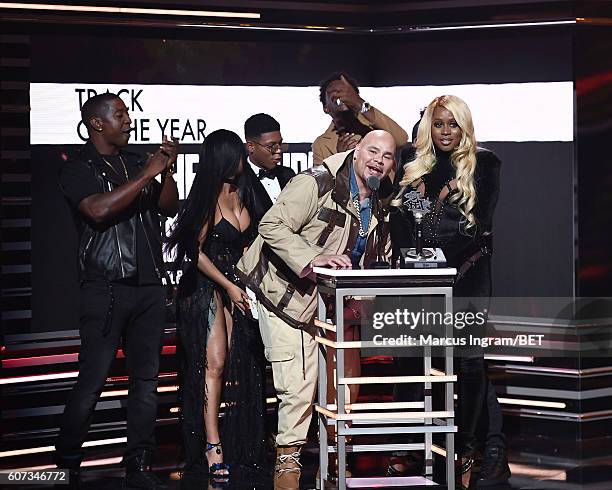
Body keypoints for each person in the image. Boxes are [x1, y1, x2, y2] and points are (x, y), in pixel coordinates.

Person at [237, 129, 396, 490]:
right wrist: (315, 257)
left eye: (387, 157)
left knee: (343, 387)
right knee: (298, 387)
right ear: (356, 151)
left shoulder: (381, 196)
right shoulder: (315, 181)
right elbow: (271, 225)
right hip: (283, 295)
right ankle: (287, 470)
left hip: (332, 302)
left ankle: (336, 464)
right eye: (373, 151)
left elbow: (373, 253)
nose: (378, 161)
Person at [56, 93, 179, 490]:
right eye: (121, 115)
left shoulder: (134, 161)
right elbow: (97, 210)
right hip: (106, 288)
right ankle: (66, 465)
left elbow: (167, 207)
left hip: (147, 288)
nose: (129, 121)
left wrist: (165, 172)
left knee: (146, 381)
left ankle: (138, 465)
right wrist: (146, 174)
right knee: (92, 380)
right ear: (97, 123)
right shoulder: (79, 167)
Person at [390, 95, 510, 489]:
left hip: (468, 276)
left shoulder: (484, 164)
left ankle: (468, 449)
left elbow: (479, 227)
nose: (446, 132)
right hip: (419, 278)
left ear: (465, 127)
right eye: (439, 124)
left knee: (469, 363)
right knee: (410, 360)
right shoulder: (412, 162)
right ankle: (411, 445)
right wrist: (416, 259)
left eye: (453, 124)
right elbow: (401, 222)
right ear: (429, 126)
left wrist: (439, 255)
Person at [166, 129, 266, 484]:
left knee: (247, 364)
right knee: (216, 365)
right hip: (207, 287)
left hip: (239, 286)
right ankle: (212, 444)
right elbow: (194, 253)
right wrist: (228, 286)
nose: (243, 161)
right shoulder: (206, 197)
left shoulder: (247, 190)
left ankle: (244, 443)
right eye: (237, 154)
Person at [312, 72, 408, 165]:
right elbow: (323, 180)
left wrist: (360, 103)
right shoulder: (321, 145)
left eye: (345, 92)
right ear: (326, 108)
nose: (339, 95)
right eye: (333, 92)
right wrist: (341, 158)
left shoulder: (375, 126)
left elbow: (401, 140)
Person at [243, 113, 296, 223]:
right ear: (250, 147)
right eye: (271, 146)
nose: (278, 150)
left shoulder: (288, 174)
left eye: (280, 144)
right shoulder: (239, 180)